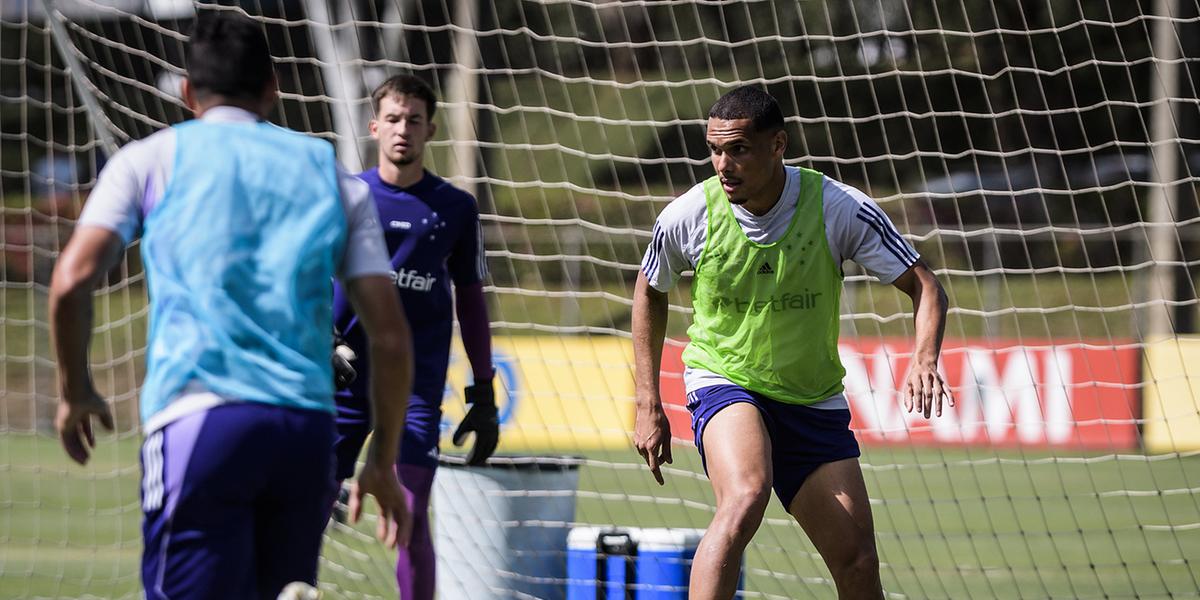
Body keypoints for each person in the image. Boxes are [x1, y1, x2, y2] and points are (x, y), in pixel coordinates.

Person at [48, 12, 413, 599]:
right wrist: (383, 459)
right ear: (272, 87)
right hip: (304, 433)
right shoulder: (334, 176)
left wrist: (75, 390)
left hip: (201, 424)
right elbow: (391, 337)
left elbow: (69, 282)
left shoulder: (150, 159)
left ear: (189, 91)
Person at [632, 86, 953, 600]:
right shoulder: (689, 214)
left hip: (811, 396)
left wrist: (924, 356)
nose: (723, 164)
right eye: (715, 150)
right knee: (745, 495)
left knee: (857, 560)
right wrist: (648, 401)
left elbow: (925, 284)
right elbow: (649, 289)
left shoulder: (838, 207)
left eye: (737, 149)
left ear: (778, 144)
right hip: (725, 379)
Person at [330, 74, 497, 600]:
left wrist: (483, 389)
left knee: (409, 514)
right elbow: (307, 278)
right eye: (394, 119)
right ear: (375, 125)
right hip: (341, 381)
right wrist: (320, 339)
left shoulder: (455, 208)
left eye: (415, 120)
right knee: (303, 510)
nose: (404, 130)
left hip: (415, 392)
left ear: (431, 129)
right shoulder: (344, 195)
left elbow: (470, 301)